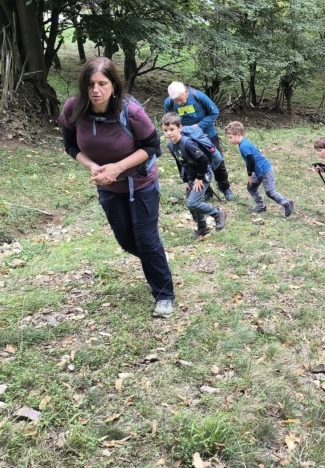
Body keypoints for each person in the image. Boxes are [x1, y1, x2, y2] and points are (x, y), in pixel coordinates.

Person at [59, 57, 174, 318]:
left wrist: (117, 168)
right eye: (90, 84)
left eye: (102, 83)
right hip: (108, 187)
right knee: (126, 240)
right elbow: (70, 146)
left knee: (146, 240)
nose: (95, 90)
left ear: (113, 85)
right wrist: (93, 166)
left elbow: (153, 147)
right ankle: (157, 259)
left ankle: (164, 295)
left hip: (141, 184)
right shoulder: (73, 109)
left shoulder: (130, 111)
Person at [164, 82, 235, 201]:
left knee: (217, 161)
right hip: (186, 139)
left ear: (186, 92)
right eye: (176, 101)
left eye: (181, 99)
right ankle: (206, 191)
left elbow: (214, 112)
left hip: (207, 135)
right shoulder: (169, 103)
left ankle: (225, 187)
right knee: (194, 163)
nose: (179, 103)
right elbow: (170, 119)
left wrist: (199, 126)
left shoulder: (198, 97)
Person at [162, 112, 228, 239]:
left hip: (203, 174)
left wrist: (199, 178)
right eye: (165, 130)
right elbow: (179, 162)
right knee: (191, 204)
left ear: (180, 128)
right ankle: (202, 228)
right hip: (190, 175)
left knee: (192, 203)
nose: (169, 133)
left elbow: (204, 160)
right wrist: (185, 180)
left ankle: (218, 213)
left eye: (172, 129)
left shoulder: (187, 143)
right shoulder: (171, 145)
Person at [224, 121, 295, 217]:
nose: (229, 140)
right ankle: (260, 206)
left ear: (238, 134)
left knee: (270, 192)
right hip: (257, 170)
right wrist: (250, 175)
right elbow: (250, 162)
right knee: (251, 187)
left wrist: (250, 174)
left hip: (265, 170)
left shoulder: (244, 146)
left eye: (230, 137)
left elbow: (251, 161)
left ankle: (287, 203)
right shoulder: (243, 144)